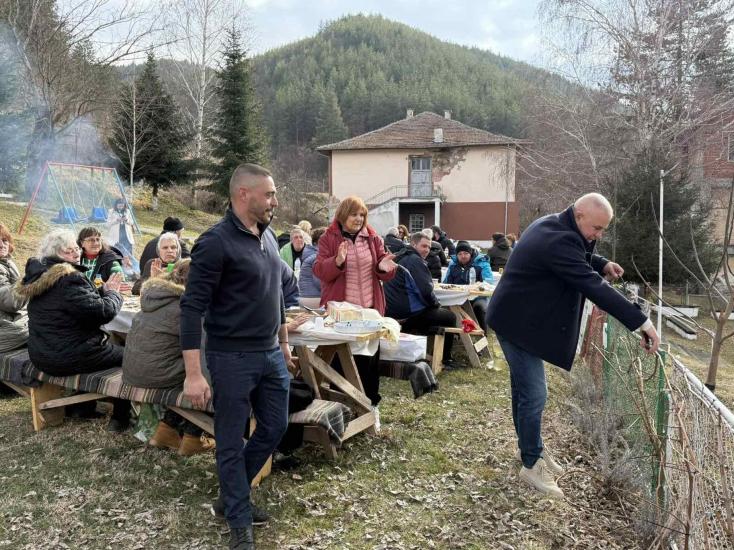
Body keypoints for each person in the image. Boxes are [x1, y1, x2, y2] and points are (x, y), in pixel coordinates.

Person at [486, 193, 660, 499]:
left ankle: (532, 449)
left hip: (516, 316)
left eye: (603, 230)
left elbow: (579, 254)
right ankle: (530, 464)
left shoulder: (555, 225)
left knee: (524, 391)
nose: (599, 235)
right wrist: (642, 322)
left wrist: (602, 262)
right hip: (515, 324)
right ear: (579, 216)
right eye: (597, 228)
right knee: (535, 393)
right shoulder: (559, 240)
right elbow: (592, 286)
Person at [179, 163, 292, 550]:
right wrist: (194, 374)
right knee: (230, 440)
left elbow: (276, 295)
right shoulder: (214, 242)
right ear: (243, 194)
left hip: (271, 354)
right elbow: (191, 309)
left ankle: (232, 496)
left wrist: (285, 343)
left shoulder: (270, 235)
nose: (274, 200)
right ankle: (239, 521)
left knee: (276, 426)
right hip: (231, 358)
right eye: (269, 194)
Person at [16, 229, 131, 432]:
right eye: (70, 251)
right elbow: (103, 313)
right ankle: (120, 417)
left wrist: (102, 292)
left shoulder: (39, 275)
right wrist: (113, 294)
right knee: (129, 355)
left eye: (77, 248)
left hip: (42, 354)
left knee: (91, 343)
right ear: (58, 253)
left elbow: (74, 305)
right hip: (67, 356)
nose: (77, 253)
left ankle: (82, 407)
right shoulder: (67, 278)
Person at [314, 196, 397, 427]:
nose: (359, 219)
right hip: (341, 315)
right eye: (354, 215)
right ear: (343, 215)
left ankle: (371, 409)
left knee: (369, 363)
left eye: (362, 215)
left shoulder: (373, 238)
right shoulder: (328, 239)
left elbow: (384, 269)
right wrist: (337, 261)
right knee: (340, 363)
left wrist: (384, 269)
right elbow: (320, 271)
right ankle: (341, 411)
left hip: (369, 312)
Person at [122, 259, 213, 456]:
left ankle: (166, 430)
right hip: (157, 375)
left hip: (133, 372)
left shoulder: (156, 295)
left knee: (195, 372)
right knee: (212, 374)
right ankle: (192, 437)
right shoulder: (188, 306)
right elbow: (204, 353)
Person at [385, 232, 457, 368]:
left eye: (429, 247)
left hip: (390, 311)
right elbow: (425, 291)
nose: (426, 250)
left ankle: (425, 347)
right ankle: (446, 359)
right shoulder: (415, 261)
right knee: (449, 317)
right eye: (423, 246)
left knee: (434, 315)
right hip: (406, 314)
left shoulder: (399, 256)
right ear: (413, 244)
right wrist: (436, 304)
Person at [443, 241, 491, 331]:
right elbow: (446, 283)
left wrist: (479, 285)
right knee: (445, 307)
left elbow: (488, 281)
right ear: (457, 255)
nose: (463, 256)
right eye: (460, 254)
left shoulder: (481, 263)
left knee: (479, 307)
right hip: (457, 296)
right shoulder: (453, 264)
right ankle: (454, 334)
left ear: (471, 253)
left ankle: (482, 335)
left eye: (466, 253)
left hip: (477, 296)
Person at [0, 223, 29, 352]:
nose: (2, 245)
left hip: (11, 319)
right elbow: (10, 302)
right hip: (5, 327)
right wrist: (30, 281)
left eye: (4, 240)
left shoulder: (7, 262)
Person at [298, 227, 325, 309]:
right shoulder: (316, 257)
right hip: (313, 298)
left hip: (308, 298)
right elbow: (319, 284)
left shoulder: (311, 253)